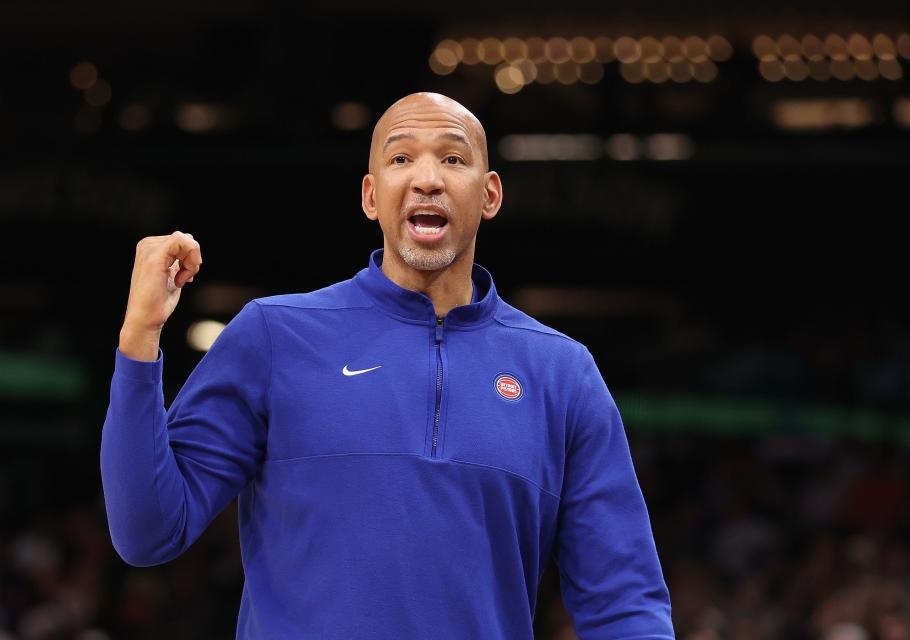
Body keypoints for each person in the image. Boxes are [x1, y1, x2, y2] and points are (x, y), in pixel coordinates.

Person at [100, 92, 674, 639]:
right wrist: (139, 336)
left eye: (453, 157)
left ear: (490, 194)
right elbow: (148, 531)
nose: (427, 177)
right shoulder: (273, 336)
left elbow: (624, 602)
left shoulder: (562, 373)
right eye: (402, 157)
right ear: (372, 196)